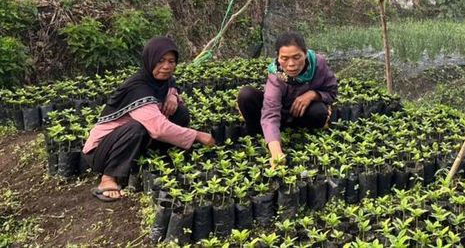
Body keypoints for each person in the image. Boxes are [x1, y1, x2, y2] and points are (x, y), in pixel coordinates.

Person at [82, 36, 215, 201]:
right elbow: (159, 129)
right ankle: (108, 178)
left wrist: (172, 95)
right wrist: (198, 135)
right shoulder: (138, 88)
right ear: (150, 60)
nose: (166, 66)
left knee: (180, 112)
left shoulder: (160, 80)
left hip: (129, 143)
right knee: (137, 128)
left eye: (171, 61)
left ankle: (157, 154)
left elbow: (171, 83)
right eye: (160, 61)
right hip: (101, 152)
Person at [237, 32, 338, 167]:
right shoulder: (276, 75)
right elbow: (270, 113)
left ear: (305, 53)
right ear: (278, 57)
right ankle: (264, 135)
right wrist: (276, 153)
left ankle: (298, 132)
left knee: (319, 112)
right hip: (280, 112)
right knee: (246, 95)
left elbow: (332, 91)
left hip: (301, 114)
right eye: (284, 58)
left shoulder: (318, 64)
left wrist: (312, 95)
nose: (291, 64)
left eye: (297, 57)